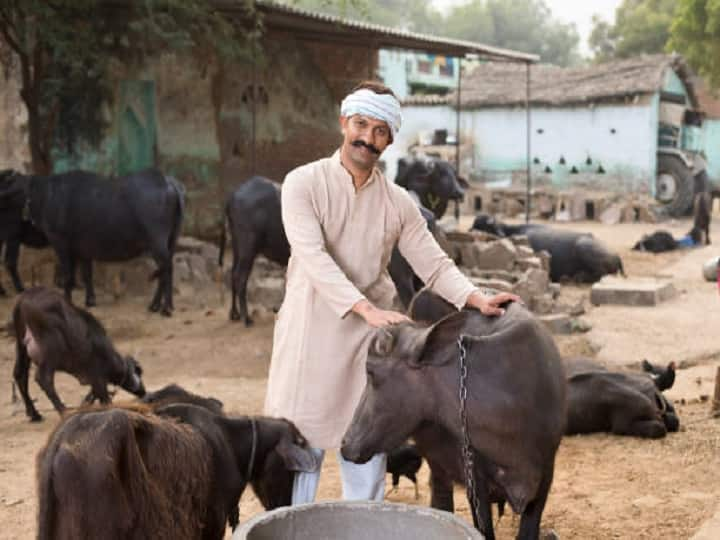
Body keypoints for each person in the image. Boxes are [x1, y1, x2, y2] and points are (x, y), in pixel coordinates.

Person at [263, 80, 519, 505]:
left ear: (391, 138)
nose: (368, 138)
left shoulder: (398, 202)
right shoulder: (302, 183)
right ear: (344, 122)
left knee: (366, 451)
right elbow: (311, 256)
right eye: (361, 125)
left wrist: (476, 298)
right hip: (310, 330)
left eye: (381, 130)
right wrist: (364, 307)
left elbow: (433, 263)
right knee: (299, 453)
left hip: (370, 341)